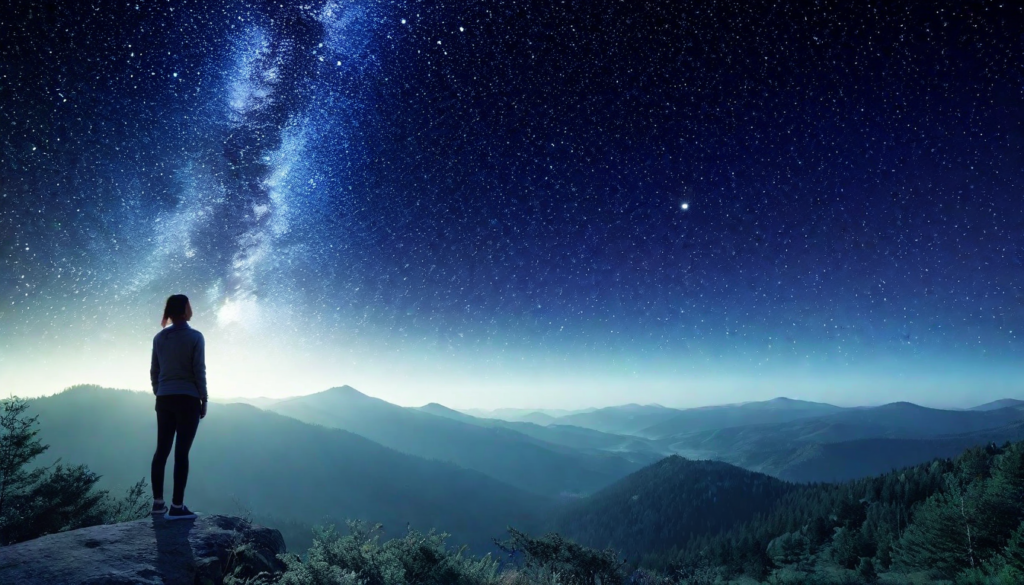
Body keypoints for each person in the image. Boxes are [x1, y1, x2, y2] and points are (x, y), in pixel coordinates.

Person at [149, 294, 208, 520]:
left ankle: (157, 504)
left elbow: (154, 370)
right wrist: (204, 399)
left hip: (164, 399)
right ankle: (177, 507)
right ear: (185, 309)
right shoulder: (195, 337)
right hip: (187, 399)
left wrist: (159, 390)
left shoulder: (159, 338)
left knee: (161, 450)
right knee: (181, 453)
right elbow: (198, 370)